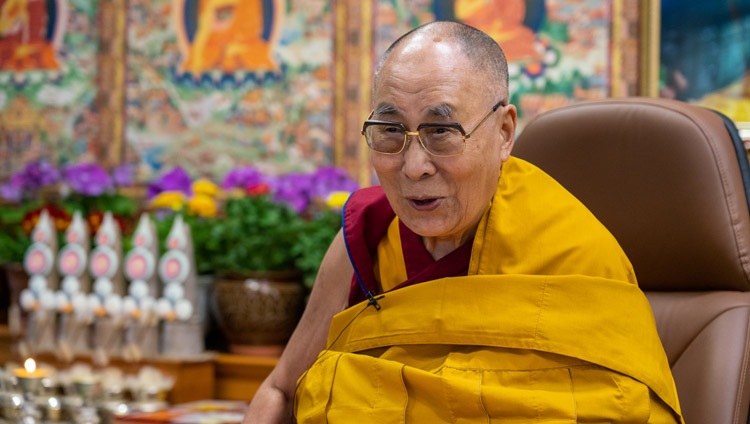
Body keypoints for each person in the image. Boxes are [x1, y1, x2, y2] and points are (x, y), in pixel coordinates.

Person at [243, 21, 683, 423]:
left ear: (504, 133)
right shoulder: (368, 239)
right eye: (390, 131)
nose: (414, 166)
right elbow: (281, 391)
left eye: (442, 132)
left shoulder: (576, 256)